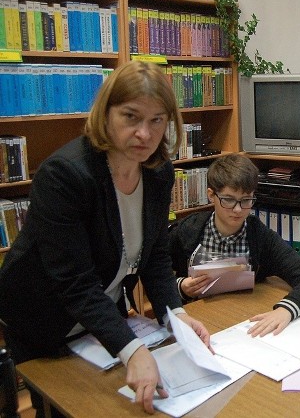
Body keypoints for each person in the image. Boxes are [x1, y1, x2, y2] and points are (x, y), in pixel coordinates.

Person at [0, 60, 210, 416]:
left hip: (101, 316)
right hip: (42, 318)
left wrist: (174, 314)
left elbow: (156, 256)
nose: (145, 133)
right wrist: (132, 350)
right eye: (131, 117)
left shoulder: (159, 174)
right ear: (106, 115)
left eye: (157, 120)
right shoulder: (64, 176)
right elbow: (75, 282)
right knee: (64, 408)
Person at [169, 153, 300, 337]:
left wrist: (285, 311)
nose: (237, 209)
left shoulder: (260, 237)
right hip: (197, 323)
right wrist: (181, 286)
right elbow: (154, 278)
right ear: (211, 195)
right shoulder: (187, 232)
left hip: (242, 321)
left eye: (246, 200)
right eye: (228, 199)